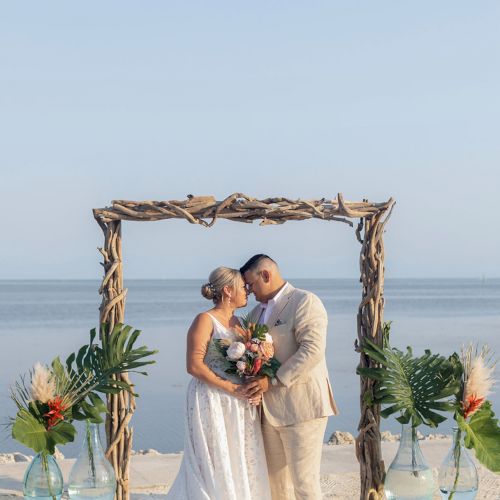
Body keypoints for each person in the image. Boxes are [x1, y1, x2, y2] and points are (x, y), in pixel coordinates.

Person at [166, 266, 272, 500]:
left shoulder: (242, 323)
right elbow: (193, 365)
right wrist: (232, 388)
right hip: (211, 397)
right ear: (227, 290)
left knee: (239, 453)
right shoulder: (205, 320)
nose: (247, 291)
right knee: (214, 455)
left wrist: (253, 387)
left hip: (239, 400)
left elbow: (248, 363)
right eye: (242, 287)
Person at [240, 254, 339, 500]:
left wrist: (272, 381)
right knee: (275, 487)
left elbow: (312, 350)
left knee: (304, 484)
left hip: (302, 408)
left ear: (266, 275)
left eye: (250, 284)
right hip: (267, 414)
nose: (248, 290)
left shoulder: (305, 301)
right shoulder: (253, 315)